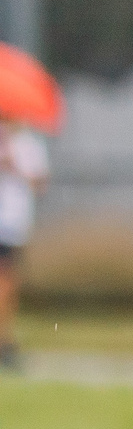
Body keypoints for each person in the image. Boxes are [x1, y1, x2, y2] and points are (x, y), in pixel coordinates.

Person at [0, 41, 62, 370]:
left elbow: (39, 183)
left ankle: (5, 339)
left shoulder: (28, 146)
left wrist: (16, 168)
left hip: (12, 222)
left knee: (7, 283)